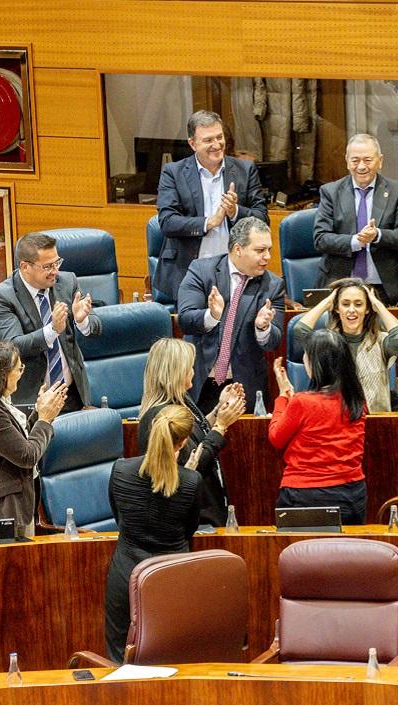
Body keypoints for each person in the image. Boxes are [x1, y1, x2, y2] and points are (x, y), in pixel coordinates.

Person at [105, 404, 203, 662]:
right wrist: (188, 475)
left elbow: (119, 518)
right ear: (183, 443)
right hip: (172, 577)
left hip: (125, 576)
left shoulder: (120, 470)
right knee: (173, 660)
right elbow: (189, 529)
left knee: (119, 660)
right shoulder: (191, 482)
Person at [155, 110, 269, 300]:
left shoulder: (245, 170)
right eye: (208, 140)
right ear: (192, 143)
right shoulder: (173, 173)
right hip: (188, 272)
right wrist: (209, 222)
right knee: (194, 326)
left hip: (235, 270)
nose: (217, 145)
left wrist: (235, 212)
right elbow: (167, 222)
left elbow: (262, 218)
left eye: (220, 137)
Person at [177, 216, 285, 413]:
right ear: (238, 249)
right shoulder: (201, 271)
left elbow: (274, 342)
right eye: (260, 250)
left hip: (244, 387)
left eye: (269, 249)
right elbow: (185, 320)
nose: (268, 257)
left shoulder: (273, 285)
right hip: (198, 381)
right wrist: (211, 316)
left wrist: (263, 327)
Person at [0, 341, 68, 538]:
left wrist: (40, 413)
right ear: (3, 374)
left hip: (13, 509)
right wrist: (44, 419)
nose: (22, 373)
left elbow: (19, 439)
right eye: (19, 368)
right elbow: (27, 455)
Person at [136, 337, 244, 527]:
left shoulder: (181, 400)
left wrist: (219, 409)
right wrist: (220, 427)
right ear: (176, 372)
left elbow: (196, 431)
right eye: (189, 367)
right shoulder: (161, 417)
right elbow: (192, 465)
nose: (193, 372)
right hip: (192, 520)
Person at [0, 231, 102, 413]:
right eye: (48, 266)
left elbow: (96, 326)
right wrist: (52, 330)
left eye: (57, 262)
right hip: (33, 402)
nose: (55, 271)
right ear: (25, 267)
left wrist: (83, 321)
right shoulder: (2, 297)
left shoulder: (67, 281)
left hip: (72, 396)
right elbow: (14, 345)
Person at [269, 329, 367, 524]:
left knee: (303, 553)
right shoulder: (356, 400)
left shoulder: (302, 402)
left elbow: (276, 438)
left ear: (316, 363)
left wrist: (282, 397)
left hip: (304, 497)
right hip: (352, 494)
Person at [313, 133, 398, 307]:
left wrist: (377, 235)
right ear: (347, 161)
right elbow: (321, 239)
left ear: (380, 160)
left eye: (368, 160)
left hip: (387, 287)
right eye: (355, 160)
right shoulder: (330, 192)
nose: (361, 167)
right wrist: (355, 241)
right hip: (341, 285)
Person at [292, 277, 398, 413]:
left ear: (367, 309)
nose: (351, 310)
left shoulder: (381, 341)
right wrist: (326, 303)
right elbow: (299, 330)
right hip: (338, 423)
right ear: (336, 308)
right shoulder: (327, 342)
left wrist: (378, 305)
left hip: (375, 421)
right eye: (345, 304)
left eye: (358, 304)